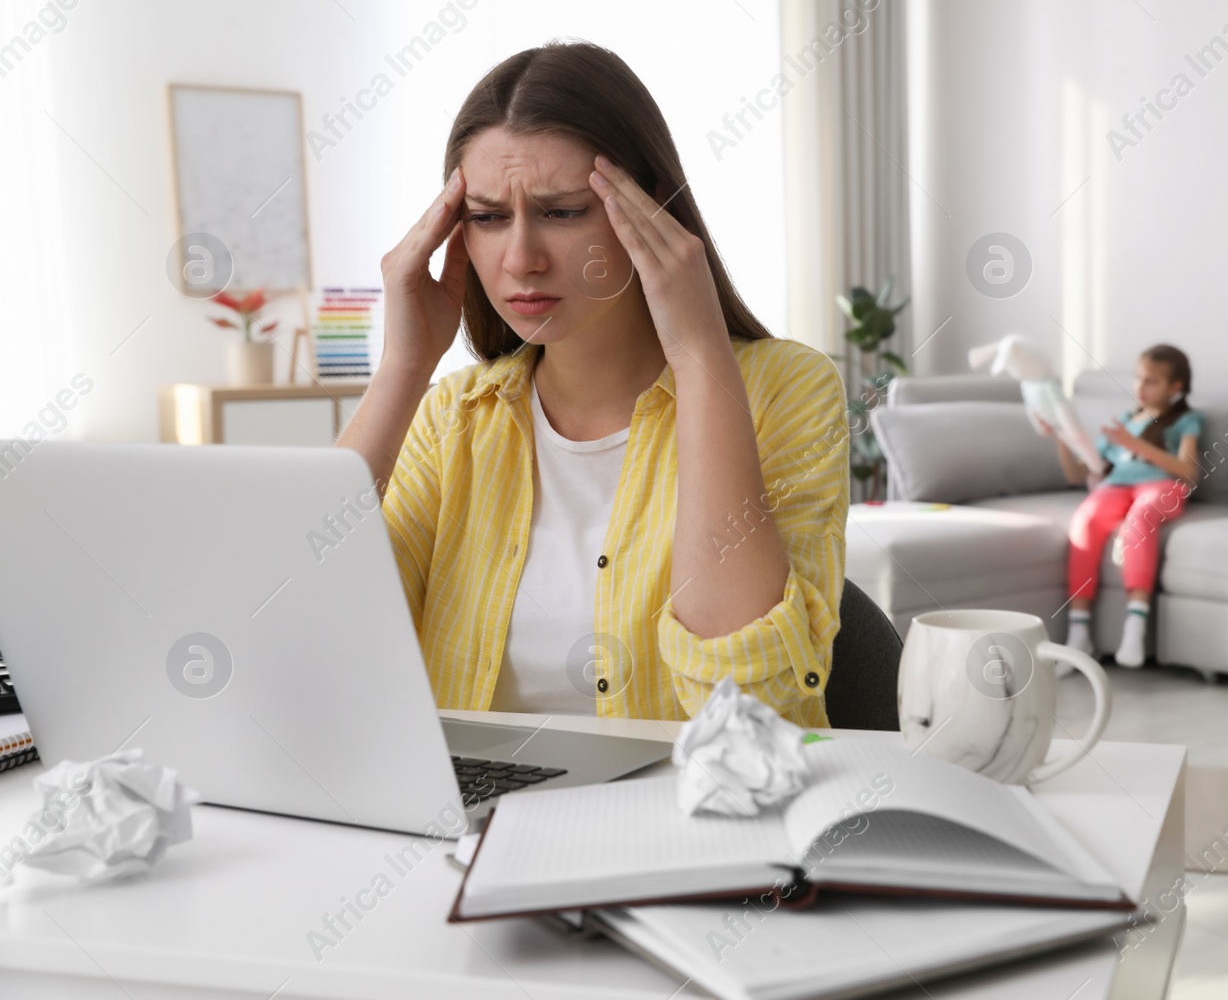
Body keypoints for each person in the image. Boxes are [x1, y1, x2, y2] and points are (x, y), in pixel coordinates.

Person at [337, 41, 849, 725]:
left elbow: (754, 712)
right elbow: (302, 643)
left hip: (690, 822)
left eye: (563, 211)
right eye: (487, 218)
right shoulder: (451, 419)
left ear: (651, 209)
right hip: (468, 824)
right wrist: (404, 368)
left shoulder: (788, 389)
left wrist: (699, 358)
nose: (520, 259)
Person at [1048, 345, 1202, 670]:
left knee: (1140, 518)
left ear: (1175, 387)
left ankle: (1135, 625)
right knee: (1086, 520)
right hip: (1116, 485)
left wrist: (1136, 445)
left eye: (1151, 382)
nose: (1140, 388)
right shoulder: (1125, 421)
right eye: (1138, 379)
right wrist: (1062, 439)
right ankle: (1079, 633)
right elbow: (1080, 473)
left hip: (1160, 486)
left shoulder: (1186, 420)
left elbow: (1189, 470)